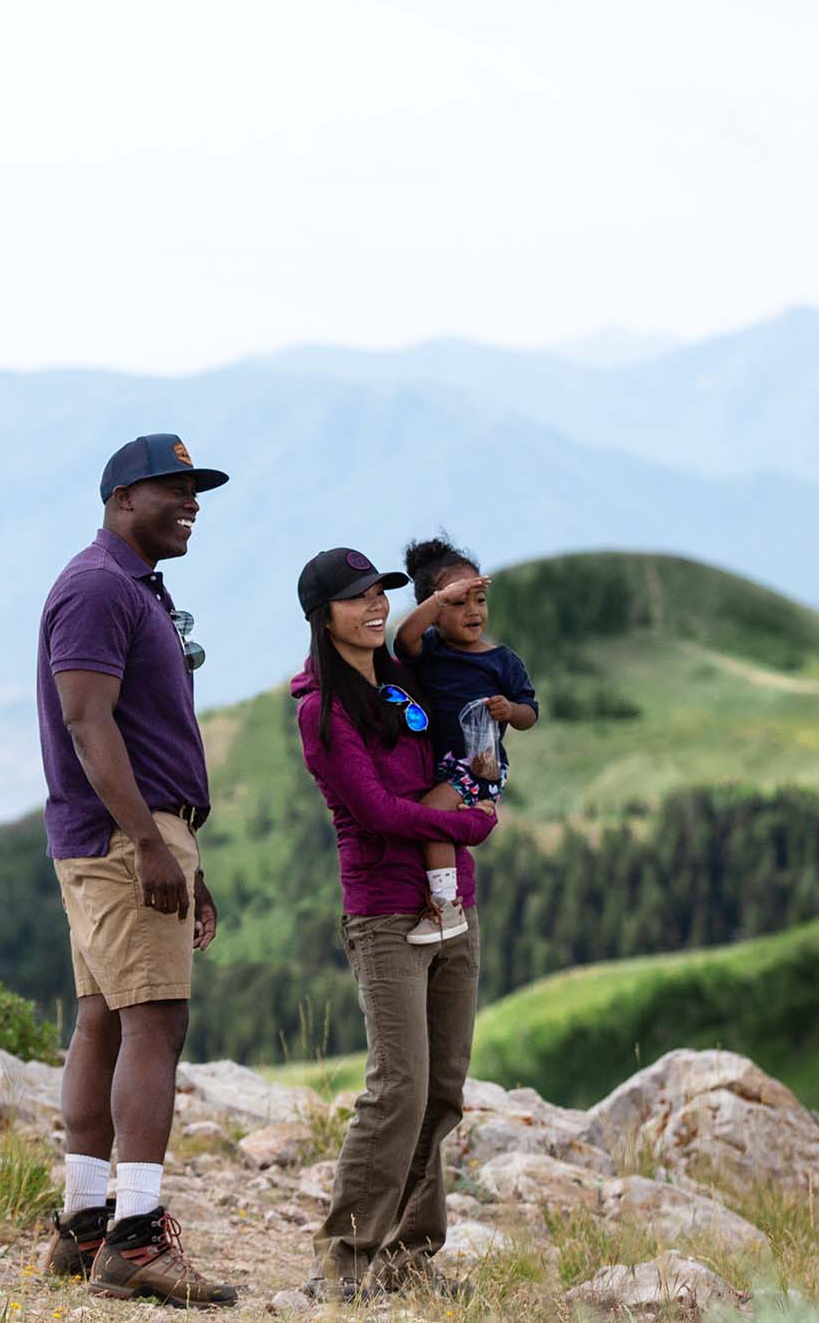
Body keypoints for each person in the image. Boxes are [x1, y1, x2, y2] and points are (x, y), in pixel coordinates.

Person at [37, 433, 237, 1307]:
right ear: (122, 498)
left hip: (127, 834)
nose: (191, 502)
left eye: (197, 490)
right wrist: (151, 844)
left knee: (105, 1023)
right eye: (174, 489)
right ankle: (137, 1240)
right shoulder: (98, 587)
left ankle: (84, 1224)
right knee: (155, 1021)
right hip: (124, 836)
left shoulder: (133, 589)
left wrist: (182, 851)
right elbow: (89, 724)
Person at [289, 546, 500, 1301]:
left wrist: (450, 594)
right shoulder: (324, 708)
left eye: (379, 593)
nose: (374, 607)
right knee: (399, 1088)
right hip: (384, 911)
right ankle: (344, 1262)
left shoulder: (400, 677)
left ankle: (410, 1262)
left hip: (454, 905)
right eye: (356, 598)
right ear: (322, 616)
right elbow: (375, 813)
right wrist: (471, 826)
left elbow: (416, 630)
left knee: (443, 1090)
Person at [393, 534, 538, 946]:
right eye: (458, 603)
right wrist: (439, 600)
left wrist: (510, 710)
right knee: (433, 814)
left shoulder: (502, 662)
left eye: (479, 599)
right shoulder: (432, 650)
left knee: (429, 818)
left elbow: (531, 713)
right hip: (442, 765)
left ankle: (445, 907)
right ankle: (475, 810)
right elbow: (403, 639)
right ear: (434, 611)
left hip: (478, 764)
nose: (473, 611)